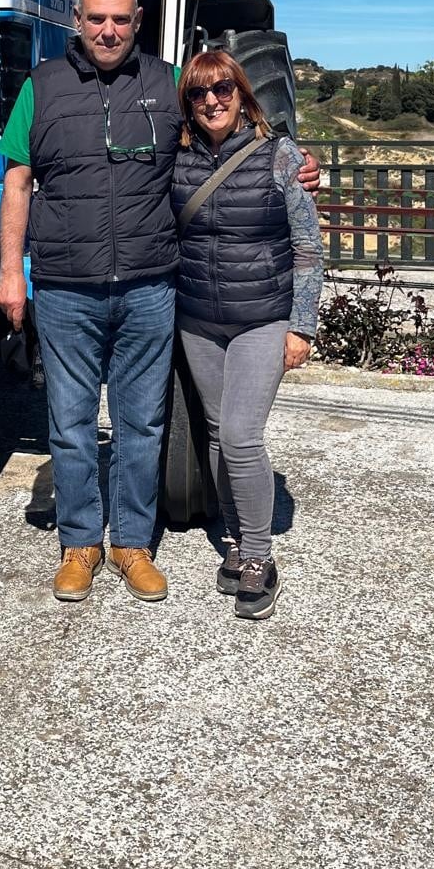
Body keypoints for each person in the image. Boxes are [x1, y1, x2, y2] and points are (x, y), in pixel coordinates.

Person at [0, 0, 320, 604]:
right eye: (96, 19)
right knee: (70, 424)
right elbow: (17, 182)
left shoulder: (169, 83)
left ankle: (132, 544)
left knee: (142, 423)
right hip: (65, 287)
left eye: (120, 20)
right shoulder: (41, 87)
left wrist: (300, 165)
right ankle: (80, 543)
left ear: (138, 21)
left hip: (149, 286)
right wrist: (12, 272)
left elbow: (225, 134)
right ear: (77, 21)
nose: (108, 31)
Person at [172, 48, 323, 622]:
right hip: (198, 319)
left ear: (242, 95)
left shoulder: (281, 156)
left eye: (223, 90)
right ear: (188, 103)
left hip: (262, 318)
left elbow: (307, 249)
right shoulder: (177, 158)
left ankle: (260, 556)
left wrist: (301, 325)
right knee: (216, 432)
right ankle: (235, 540)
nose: (212, 101)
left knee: (240, 435)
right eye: (199, 93)